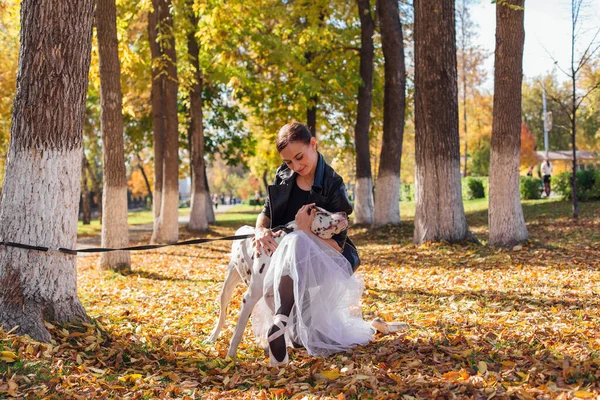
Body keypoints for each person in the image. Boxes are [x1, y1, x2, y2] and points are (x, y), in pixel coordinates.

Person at [253, 121, 372, 367]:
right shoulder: (284, 175)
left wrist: (306, 231)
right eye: (288, 162)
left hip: (328, 260)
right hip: (287, 260)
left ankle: (279, 322)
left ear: (313, 144)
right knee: (300, 337)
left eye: (299, 157)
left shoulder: (333, 184)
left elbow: (338, 249)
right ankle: (287, 327)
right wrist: (260, 230)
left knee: (296, 240)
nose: (295, 167)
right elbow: (266, 212)